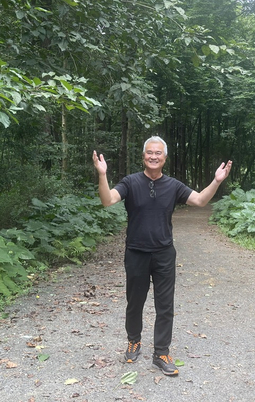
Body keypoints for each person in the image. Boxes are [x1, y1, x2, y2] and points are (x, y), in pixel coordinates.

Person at [92, 136, 232, 376]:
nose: (153, 156)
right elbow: (107, 200)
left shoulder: (173, 185)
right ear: (143, 156)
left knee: (165, 305)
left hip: (164, 253)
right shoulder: (131, 182)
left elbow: (199, 200)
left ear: (164, 158)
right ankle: (133, 341)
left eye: (158, 153)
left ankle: (161, 353)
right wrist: (102, 174)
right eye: (149, 152)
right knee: (135, 302)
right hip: (136, 252)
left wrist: (216, 181)